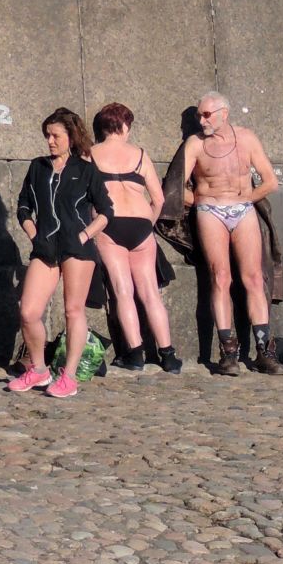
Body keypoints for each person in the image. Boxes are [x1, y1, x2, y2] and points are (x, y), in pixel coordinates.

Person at [10, 108, 112, 398]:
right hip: (45, 247)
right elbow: (23, 207)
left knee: (73, 310)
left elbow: (106, 212)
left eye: (55, 135)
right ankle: (39, 371)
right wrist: (34, 235)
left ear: (71, 136)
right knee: (28, 312)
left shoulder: (86, 169)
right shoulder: (38, 167)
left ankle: (68, 376)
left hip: (77, 247)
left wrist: (84, 235)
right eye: (47, 135)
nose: (50, 141)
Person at [181, 91, 281, 375]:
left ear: (224, 113)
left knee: (252, 278)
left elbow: (270, 181)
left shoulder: (246, 138)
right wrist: (202, 200)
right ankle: (228, 352)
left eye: (207, 115)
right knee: (220, 277)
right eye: (199, 115)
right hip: (210, 211)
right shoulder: (195, 144)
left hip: (242, 209)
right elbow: (177, 186)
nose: (202, 121)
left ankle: (264, 350)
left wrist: (246, 198)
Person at [90, 103, 181, 373]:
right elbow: (159, 198)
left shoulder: (90, 154)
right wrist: (147, 226)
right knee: (151, 293)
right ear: (125, 126)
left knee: (122, 291)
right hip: (141, 223)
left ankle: (136, 354)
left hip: (110, 224)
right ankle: (168, 355)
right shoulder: (140, 154)